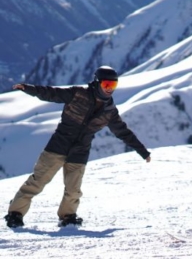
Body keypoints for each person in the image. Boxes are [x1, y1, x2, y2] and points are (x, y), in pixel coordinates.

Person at [4, 65, 151, 228]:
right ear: (97, 82)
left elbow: (123, 132)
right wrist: (28, 88)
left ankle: (68, 216)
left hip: (80, 152)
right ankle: (15, 213)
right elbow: (51, 93)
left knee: (73, 190)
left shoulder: (110, 111)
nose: (110, 89)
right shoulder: (77, 94)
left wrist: (142, 151)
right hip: (57, 147)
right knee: (37, 182)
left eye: (113, 85)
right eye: (106, 85)